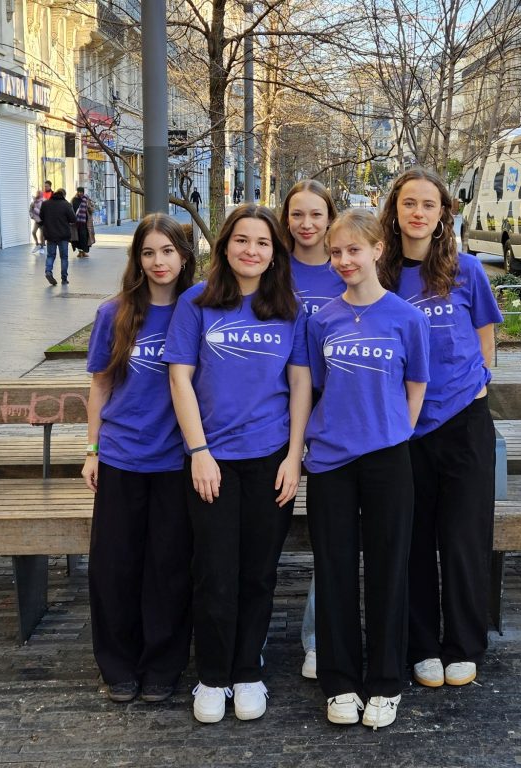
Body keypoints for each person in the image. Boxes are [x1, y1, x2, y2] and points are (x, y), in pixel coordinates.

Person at [164, 204, 311, 725]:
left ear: (275, 254)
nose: (252, 250)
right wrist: (199, 451)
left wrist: (294, 456)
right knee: (214, 572)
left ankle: (248, 670)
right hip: (212, 462)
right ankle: (212, 675)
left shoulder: (289, 309)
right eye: (242, 240)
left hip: (270, 459)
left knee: (259, 573)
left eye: (263, 242)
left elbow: (299, 385)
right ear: (225, 246)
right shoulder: (196, 303)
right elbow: (180, 379)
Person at [379, 167, 503, 690]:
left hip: (464, 426)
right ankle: (423, 645)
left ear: (443, 214)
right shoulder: (381, 274)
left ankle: (463, 644)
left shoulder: (466, 270)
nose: (418, 213)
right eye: (409, 203)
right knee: (412, 540)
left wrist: (477, 385)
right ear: (394, 211)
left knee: (462, 539)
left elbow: (485, 338)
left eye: (428, 204)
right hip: (404, 430)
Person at [305, 209, 430, 729]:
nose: (343, 260)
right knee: (334, 570)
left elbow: (416, 386)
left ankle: (384, 682)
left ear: (378, 250)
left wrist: (393, 432)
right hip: (330, 461)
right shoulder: (321, 320)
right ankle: (339, 682)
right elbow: (314, 386)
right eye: (335, 252)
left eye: (353, 250)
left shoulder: (406, 318)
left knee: (387, 568)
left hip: (387, 461)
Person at [82, 213, 196, 704]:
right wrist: (92, 450)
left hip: (175, 462)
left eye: (167, 251)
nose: (158, 261)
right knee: (115, 567)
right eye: (148, 252)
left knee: (168, 568)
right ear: (137, 259)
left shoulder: (198, 309)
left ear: (184, 256)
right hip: (122, 456)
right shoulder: (115, 313)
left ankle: (163, 665)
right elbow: (100, 385)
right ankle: (118, 664)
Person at [279, 179, 342, 681]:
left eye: (316, 214)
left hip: (333, 414)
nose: (306, 224)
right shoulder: (273, 268)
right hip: (271, 413)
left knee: (331, 533)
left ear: (330, 218)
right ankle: (245, 639)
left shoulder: (346, 267)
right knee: (258, 535)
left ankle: (319, 638)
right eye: (297, 214)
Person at [39, 188, 77, 286]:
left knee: (50, 255)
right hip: (63, 235)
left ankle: (48, 271)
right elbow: (73, 219)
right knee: (64, 257)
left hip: (50, 235)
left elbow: (41, 217)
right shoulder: (66, 204)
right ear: (64, 195)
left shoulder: (45, 204)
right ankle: (64, 278)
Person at [71, 186, 96, 258]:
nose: (80, 193)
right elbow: (71, 209)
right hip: (76, 223)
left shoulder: (87, 199)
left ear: (83, 192)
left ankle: (84, 252)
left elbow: (92, 210)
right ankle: (80, 252)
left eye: (81, 192)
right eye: (78, 192)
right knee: (77, 238)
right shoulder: (74, 200)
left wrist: (89, 207)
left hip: (86, 223)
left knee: (84, 237)